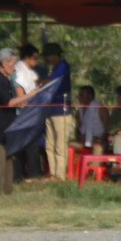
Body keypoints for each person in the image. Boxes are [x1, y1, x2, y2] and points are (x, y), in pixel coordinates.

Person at [0, 48, 35, 195]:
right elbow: (8, 102)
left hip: (8, 124)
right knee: (0, 159)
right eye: (13, 64)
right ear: (4, 63)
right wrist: (30, 95)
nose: (14, 67)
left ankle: (8, 190)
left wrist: (22, 103)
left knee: (10, 158)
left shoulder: (6, 80)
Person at [41, 43, 72, 182]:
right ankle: (53, 173)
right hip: (51, 109)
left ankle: (60, 175)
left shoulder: (63, 67)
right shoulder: (53, 69)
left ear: (55, 56)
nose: (46, 59)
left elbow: (51, 82)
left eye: (48, 56)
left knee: (60, 144)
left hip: (61, 110)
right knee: (50, 144)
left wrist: (38, 82)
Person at [13, 44, 42, 182]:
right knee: (29, 144)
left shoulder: (30, 72)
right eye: (35, 58)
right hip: (23, 113)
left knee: (30, 144)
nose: (37, 61)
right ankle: (28, 174)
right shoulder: (19, 70)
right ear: (28, 57)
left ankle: (29, 173)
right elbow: (19, 88)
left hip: (32, 110)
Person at [75, 85, 108, 155]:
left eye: (81, 95)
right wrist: (80, 137)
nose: (79, 98)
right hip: (84, 140)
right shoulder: (79, 111)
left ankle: (94, 166)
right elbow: (77, 128)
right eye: (79, 95)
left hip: (99, 140)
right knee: (67, 145)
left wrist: (100, 139)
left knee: (97, 147)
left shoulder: (100, 109)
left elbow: (108, 128)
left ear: (90, 96)